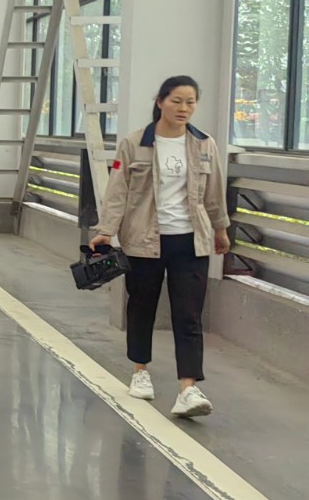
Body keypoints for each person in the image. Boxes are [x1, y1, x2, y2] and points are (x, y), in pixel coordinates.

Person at [90, 75, 229, 420]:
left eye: (190, 102)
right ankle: (140, 371)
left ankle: (188, 388)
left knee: (189, 315)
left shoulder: (204, 144)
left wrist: (221, 229)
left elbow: (214, 192)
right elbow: (118, 191)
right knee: (141, 307)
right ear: (160, 101)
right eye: (176, 101)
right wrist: (106, 231)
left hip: (191, 241)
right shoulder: (134, 144)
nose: (184, 108)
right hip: (143, 240)